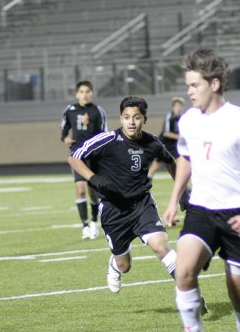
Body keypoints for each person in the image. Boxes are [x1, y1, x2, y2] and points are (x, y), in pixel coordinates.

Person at [163, 48, 240, 332]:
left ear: (214, 84)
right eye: (188, 84)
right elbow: (185, 158)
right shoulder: (188, 121)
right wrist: (173, 199)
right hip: (202, 209)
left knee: (237, 291)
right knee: (183, 270)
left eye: (195, 84)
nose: (189, 90)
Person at [68, 96, 183, 294]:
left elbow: (170, 162)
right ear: (120, 119)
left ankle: (191, 295)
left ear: (144, 119)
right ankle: (115, 264)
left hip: (142, 205)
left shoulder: (152, 143)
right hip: (113, 210)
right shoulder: (106, 140)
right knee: (125, 266)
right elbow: (74, 157)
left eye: (136, 117)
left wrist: (183, 193)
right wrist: (93, 178)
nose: (131, 122)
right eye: (127, 117)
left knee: (162, 248)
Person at [60, 81, 107, 239]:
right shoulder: (70, 110)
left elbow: (103, 135)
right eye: (82, 91)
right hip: (77, 155)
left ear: (92, 93)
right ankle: (85, 225)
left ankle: (94, 221)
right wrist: (66, 138)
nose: (85, 94)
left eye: (88, 91)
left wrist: (89, 125)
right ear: (76, 94)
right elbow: (64, 130)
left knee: (93, 192)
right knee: (80, 189)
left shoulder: (97, 111)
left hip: (93, 156)